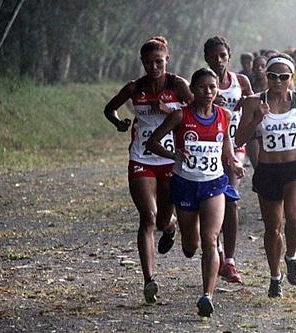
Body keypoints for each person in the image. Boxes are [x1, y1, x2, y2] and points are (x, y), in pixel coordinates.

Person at [146, 68, 245, 317]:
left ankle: (207, 296)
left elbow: (226, 147)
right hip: (185, 184)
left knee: (210, 240)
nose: (208, 92)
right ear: (193, 89)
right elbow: (152, 142)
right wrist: (174, 155)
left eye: (212, 87)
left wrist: (233, 162)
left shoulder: (224, 115)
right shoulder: (180, 116)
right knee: (191, 245)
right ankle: (179, 229)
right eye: (202, 87)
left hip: (214, 185)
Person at [103, 36, 193, 304]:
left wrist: (168, 111)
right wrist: (118, 123)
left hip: (169, 160)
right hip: (141, 158)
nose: (154, 67)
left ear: (167, 60)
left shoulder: (177, 85)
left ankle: (171, 226)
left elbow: (194, 112)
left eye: (159, 62)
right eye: (148, 62)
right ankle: (148, 280)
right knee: (148, 217)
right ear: (142, 62)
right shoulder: (135, 88)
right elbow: (109, 109)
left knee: (163, 220)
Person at [235, 53, 296, 298]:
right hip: (268, 170)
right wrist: (257, 119)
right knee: (272, 229)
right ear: (266, 76)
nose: (278, 81)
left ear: (292, 78)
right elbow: (239, 139)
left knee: (293, 216)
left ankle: (291, 257)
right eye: (272, 76)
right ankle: (275, 277)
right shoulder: (253, 103)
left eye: (284, 77)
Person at [204, 36, 254, 283]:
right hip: (209, 149)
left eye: (222, 55)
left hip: (235, 148)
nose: (218, 60)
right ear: (206, 58)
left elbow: (255, 107)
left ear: (229, 56)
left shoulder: (240, 81)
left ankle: (231, 261)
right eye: (213, 56)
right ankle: (218, 251)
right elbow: (190, 109)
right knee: (214, 203)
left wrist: (246, 104)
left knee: (231, 199)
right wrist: (209, 100)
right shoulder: (203, 83)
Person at [246, 55, 269, 168]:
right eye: (256, 66)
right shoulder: (248, 85)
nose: (259, 68)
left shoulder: (274, 86)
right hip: (253, 129)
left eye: (262, 66)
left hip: (270, 129)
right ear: (252, 68)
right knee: (257, 166)